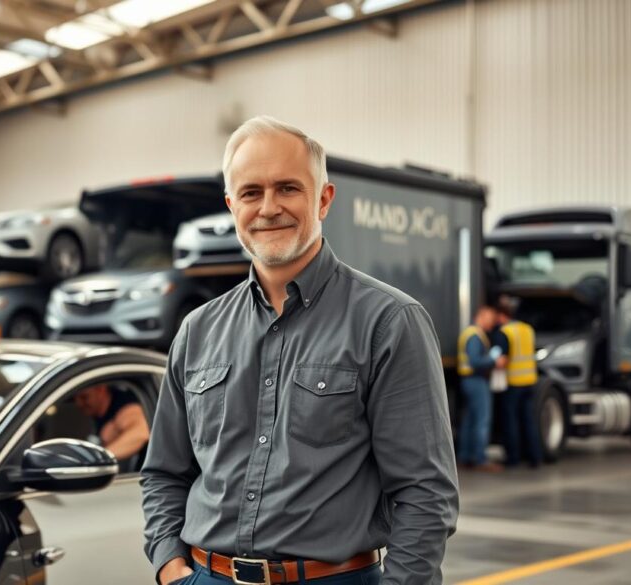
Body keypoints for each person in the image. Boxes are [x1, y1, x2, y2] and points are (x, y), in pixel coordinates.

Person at [140, 116, 459, 585]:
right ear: (232, 205)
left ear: (323, 199)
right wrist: (171, 567)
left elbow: (425, 494)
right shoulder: (197, 330)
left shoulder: (389, 321)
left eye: (288, 188)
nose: (268, 208)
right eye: (251, 193)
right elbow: (165, 472)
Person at [457, 305, 506, 471]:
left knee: (470, 420)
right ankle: (480, 459)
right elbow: (475, 361)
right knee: (482, 420)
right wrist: (494, 361)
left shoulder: (471, 334)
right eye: (490, 319)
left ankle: (465, 456)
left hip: (469, 381)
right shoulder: (475, 336)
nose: (492, 323)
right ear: (482, 316)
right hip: (476, 380)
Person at [496, 300, 543, 467]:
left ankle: (513, 458)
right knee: (529, 420)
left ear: (502, 316)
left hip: (513, 382)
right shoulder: (527, 329)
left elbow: (501, 359)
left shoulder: (505, 332)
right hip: (530, 380)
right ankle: (535, 457)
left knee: (511, 421)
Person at [73, 383, 149, 461]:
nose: (78, 403)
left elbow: (141, 432)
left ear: (100, 390)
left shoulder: (123, 405)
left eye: (84, 397)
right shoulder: (98, 414)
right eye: (75, 399)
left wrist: (97, 459)